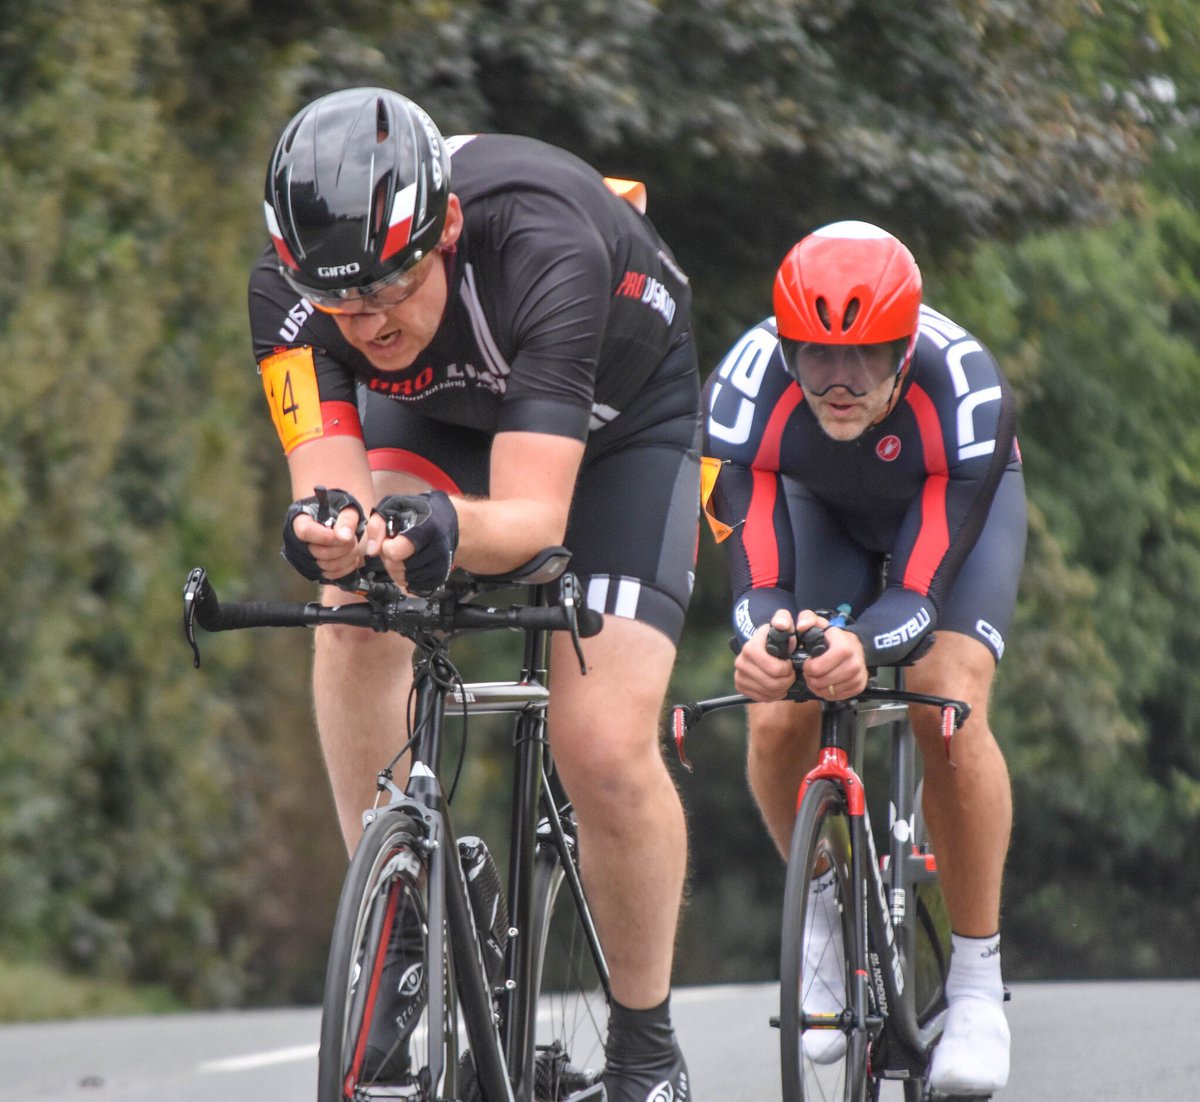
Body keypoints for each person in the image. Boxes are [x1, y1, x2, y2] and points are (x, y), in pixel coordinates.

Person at [249, 87, 699, 1100]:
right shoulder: (290, 289)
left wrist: (443, 529)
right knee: (358, 610)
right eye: (339, 305)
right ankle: (403, 919)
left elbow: (536, 522)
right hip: (444, 415)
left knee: (603, 747)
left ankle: (645, 1052)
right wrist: (330, 533)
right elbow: (333, 489)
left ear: (444, 228)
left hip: (622, 428)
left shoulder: (546, 244)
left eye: (389, 291)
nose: (364, 326)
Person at [702, 220, 1025, 1095]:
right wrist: (761, 641)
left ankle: (974, 981)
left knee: (945, 698)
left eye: (869, 359)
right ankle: (823, 910)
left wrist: (864, 642)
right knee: (779, 712)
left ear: (908, 346)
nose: (840, 385)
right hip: (820, 507)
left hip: (946, 506)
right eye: (815, 359)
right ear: (784, 347)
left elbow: (920, 599)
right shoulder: (739, 393)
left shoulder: (967, 394)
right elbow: (753, 578)